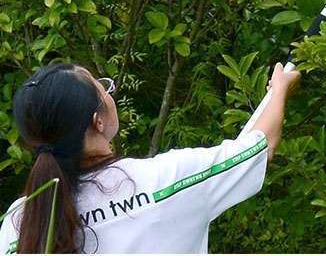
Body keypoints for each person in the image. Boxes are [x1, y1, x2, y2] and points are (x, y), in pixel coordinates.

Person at [0, 61, 300, 254]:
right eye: (104, 89)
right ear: (98, 121)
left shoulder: (18, 224)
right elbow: (258, 148)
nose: (110, 94)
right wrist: (280, 89)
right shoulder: (168, 181)